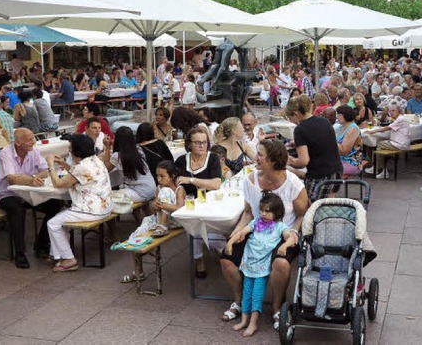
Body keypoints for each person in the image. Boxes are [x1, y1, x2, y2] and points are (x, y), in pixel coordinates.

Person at [220, 139, 308, 329]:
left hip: (282, 232)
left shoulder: (293, 183)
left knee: (281, 263)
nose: (255, 157)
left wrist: (293, 233)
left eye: (260, 154)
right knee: (227, 257)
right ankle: (241, 301)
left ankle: (277, 308)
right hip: (256, 230)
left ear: (273, 161)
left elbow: (302, 214)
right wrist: (235, 234)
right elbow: (248, 212)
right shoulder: (250, 180)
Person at [226, 192, 294, 337]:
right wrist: (231, 242)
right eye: (262, 210)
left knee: (257, 295)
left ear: (277, 212)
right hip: (249, 263)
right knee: (246, 294)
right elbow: (242, 232)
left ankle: (253, 323)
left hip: (262, 267)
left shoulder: (280, 226)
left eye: (267, 211)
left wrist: (285, 246)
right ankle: (244, 320)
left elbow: (292, 237)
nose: (263, 213)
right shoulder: (256, 222)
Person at [45, 134, 113, 272]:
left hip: (92, 210)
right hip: (104, 206)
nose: (69, 151)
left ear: (77, 152)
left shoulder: (81, 167)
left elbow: (58, 183)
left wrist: (51, 165)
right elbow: (79, 175)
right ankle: (57, 254)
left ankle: (69, 259)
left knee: (52, 223)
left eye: (70, 149)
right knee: (60, 218)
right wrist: (63, 163)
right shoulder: (95, 159)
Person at [0, 128, 62, 268]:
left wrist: (34, 178)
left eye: (33, 138)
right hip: (8, 194)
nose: (33, 141)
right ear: (18, 142)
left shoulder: (34, 150)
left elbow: (46, 170)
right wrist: (31, 179)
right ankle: (20, 253)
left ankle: (41, 244)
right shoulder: (5, 153)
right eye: (29, 139)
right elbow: (11, 178)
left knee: (55, 204)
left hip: (29, 193)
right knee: (16, 210)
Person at [121, 160, 185, 283]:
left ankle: (162, 227)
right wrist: (155, 206)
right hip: (158, 219)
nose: (159, 179)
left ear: (172, 176)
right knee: (134, 237)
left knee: (166, 192)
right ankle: (138, 271)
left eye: (162, 176)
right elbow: (153, 209)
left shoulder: (179, 189)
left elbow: (180, 208)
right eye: (157, 176)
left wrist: (165, 206)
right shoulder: (158, 188)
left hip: (174, 220)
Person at [174, 127, 221, 277]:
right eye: (198, 143)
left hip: (210, 203)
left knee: (215, 239)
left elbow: (216, 184)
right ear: (189, 144)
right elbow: (176, 183)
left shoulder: (212, 158)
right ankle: (199, 259)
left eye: (205, 142)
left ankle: (222, 251)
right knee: (192, 228)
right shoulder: (181, 161)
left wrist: (191, 180)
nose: (202, 146)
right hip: (190, 205)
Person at [285, 95, 342, 201]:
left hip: (320, 176)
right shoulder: (324, 121)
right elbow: (321, 140)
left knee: (310, 208)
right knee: (328, 206)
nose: (291, 121)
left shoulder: (300, 129)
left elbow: (303, 161)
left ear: (296, 113)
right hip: (336, 172)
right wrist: (298, 143)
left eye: (290, 117)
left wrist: (287, 160)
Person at [103, 127, 156, 208]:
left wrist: (107, 147)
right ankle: (141, 220)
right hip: (151, 188)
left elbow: (105, 168)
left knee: (107, 197)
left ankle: (111, 219)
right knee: (134, 206)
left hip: (139, 192)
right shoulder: (139, 150)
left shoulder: (117, 156)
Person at [366, 102, 411, 179]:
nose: (391, 112)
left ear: (399, 111)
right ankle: (379, 169)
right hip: (400, 143)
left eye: (393, 111)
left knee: (378, 144)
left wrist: (374, 131)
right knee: (380, 147)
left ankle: (377, 168)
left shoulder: (401, 119)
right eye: (390, 111)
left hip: (400, 144)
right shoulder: (399, 118)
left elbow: (388, 128)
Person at [334, 105, 363, 176]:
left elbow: (344, 151)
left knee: (323, 169)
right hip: (339, 160)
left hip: (351, 163)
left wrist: (330, 137)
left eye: (339, 115)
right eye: (337, 114)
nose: (337, 117)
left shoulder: (352, 129)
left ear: (346, 115)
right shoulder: (340, 127)